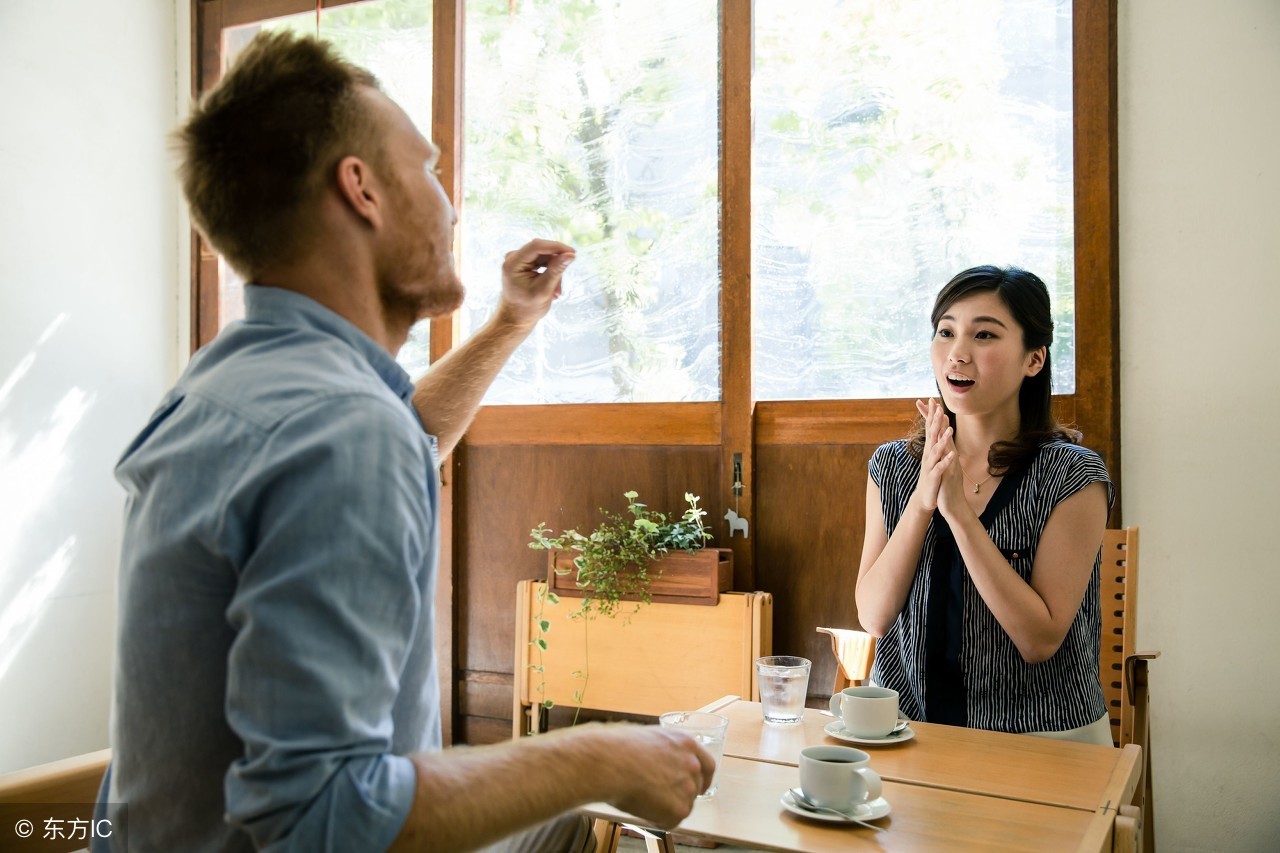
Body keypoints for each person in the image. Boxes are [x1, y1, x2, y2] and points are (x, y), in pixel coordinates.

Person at [92, 31, 713, 852]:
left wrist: (509, 324)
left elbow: (399, 440)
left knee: (566, 823)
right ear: (362, 190)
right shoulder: (341, 430)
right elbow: (320, 819)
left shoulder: (226, 389)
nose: (449, 203)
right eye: (427, 168)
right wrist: (600, 750)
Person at [854, 265, 1113, 745]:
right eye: (945, 332)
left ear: (1033, 360)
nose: (958, 353)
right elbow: (874, 616)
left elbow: (1039, 641)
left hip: (1043, 739)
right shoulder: (892, 466)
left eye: (985, 334)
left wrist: (958, 512)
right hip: (906, 730)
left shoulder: (1072, 476)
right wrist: (923, 503)